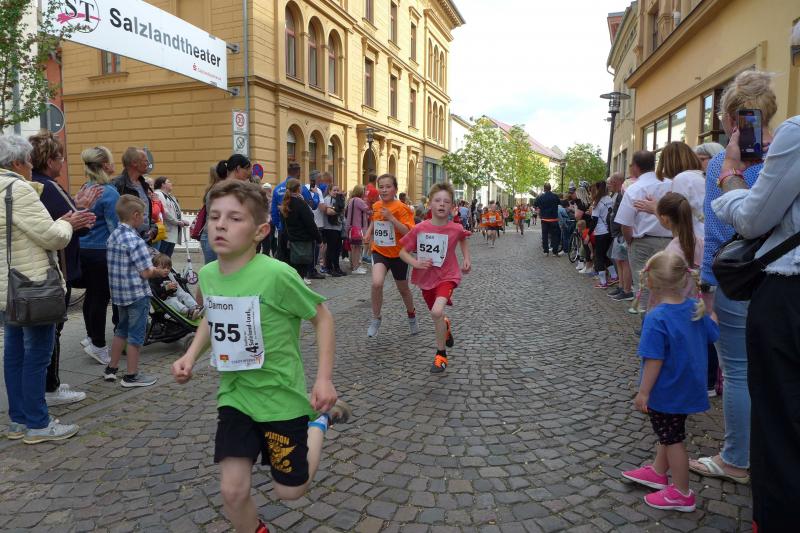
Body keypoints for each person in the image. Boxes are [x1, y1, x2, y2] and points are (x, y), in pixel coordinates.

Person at [171, 180, 351, 533]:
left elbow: (322, 318)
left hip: (281, 399)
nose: (221, 225)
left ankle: (319, 422)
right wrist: (191, 356)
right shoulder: (208, 275)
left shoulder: (277, 275)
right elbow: (213, 315)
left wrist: (324, 379)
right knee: (232, 491)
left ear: (260, 231)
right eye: (215, 217)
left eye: (235, 218)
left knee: (291, 491)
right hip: (235, 396)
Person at [711, 107, 800, 529]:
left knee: (780, 426)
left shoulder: (796, 132)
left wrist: (730, 173)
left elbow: (751, 220)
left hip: (790, 293)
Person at [694, 69, 778, 489]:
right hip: (781, 280)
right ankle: (770, 452)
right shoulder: (785, 156)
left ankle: (736, 458)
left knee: (739, 371)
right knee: (775, 370)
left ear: (730, 119)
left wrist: (707, 283)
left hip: (739, 279)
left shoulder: (722, 166)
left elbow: (717, 232)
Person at [0, 134, 92, 443]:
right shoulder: (18, 189)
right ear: (16, 163)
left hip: (6, 287)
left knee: (14, 354)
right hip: (32, 286)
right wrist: (68, 223)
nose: (31, 166)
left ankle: (18, 421)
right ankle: (38, 424)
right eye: (28, 161)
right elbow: (53, 237)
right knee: (37, 355)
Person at [622, 251, 718, 512]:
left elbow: (654, 359)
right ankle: (657, 471)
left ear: (650, 282)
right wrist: (711, 309)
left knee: (673, 439)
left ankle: (682, 493)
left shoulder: (656, 317)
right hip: (687, 388)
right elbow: (713, 334)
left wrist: (643, 393)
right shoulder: (695, 309)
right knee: (669, 433)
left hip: (667, 392)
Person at [29, 131, 101, 407]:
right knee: (53, 330)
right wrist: (81, 212)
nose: (63, 162)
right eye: (60, 157)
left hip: (47, 267)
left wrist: (76, 208)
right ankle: (51, 387)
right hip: (58, 268)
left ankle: (49, 383)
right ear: (50, 161)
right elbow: (75, 226)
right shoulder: (48, 186)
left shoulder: (34, 184)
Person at [399, 183, 471, 373]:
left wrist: (466, 259)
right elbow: (403, 252)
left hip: (448, 276)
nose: (441, 204)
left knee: (436, 311)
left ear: (452, 207)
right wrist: (415, 263)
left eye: (446, 201)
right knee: (437, 313)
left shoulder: (455, 228)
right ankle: (445, 326)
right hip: (426, 278)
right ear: (430, 204)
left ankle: (441, 354)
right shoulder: (420, 228)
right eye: (437, 200)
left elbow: (462, 238)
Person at [103, 195, 169, 387]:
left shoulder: (113, 236)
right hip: (137, 295)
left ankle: (111, 368)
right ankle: (131, 376)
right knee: (136, 336)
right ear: (135, 215)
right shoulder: (136, 241)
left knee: (121, 330)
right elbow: (146, 272)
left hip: (119, 295)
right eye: (143, 215)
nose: (145, 219)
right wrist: (159, 271)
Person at [613, 151, 672, 313]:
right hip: (670, 241)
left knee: (643, 287)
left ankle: (648, 322)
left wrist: (630, 242)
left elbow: (625, 223)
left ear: (636, 167)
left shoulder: (634, 189)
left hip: (642, 243)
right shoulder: (671, 184)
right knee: (668, 285)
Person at [78, 146, 121, 365]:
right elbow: (116, 228)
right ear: (105, 165)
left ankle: (90, 336)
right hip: (100, 252)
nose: (114, 165)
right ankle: (98, 344)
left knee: (91, 296)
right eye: (112, 160)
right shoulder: (109, 192)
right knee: (100, 298)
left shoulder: (86, 187)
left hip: (82, 248)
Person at [363, 174, 418, 337]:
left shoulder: (403, 208)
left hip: (399, 254)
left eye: (388, 187)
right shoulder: (377, 205)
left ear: (395, 189)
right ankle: (376, 318)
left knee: (403, 289)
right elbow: (375, 220)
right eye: (381, 187)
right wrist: (369, 232)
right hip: (380, 250)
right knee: (376, 283)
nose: (384, 190)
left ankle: (411, 315)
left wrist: (392, 218)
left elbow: (408, 232)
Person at [634, 142, 706, 235]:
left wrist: (655, 209)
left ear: (668, 163)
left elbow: (675, 223)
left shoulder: (681, 179)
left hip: (696, 237)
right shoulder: (700, 175)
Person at [271, 163, 318, 263]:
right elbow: (313, 205)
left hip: (283, 232)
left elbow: (274, 212)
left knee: (284, 261)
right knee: (299, 262)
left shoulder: (277, 188)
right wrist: (316, 194)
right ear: (298, 173)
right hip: (299, 236)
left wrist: (279, 226)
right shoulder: (301, 188)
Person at [279, 178, 322, 283]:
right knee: (300, 272)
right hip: (302, 242)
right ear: (298, 189)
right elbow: (310, 223)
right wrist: (319, 238)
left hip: (288, 242)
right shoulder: (300, 203)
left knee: (292, 271)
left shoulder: (285, 203)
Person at [112, 147, 156, 242]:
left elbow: (146, 212)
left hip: (144, 240)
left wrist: (153, 228)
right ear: (134, 163)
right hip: (128, 241)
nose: (148, 163)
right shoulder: (118, 184)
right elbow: (114, 216)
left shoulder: (144, 184)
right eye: (145, 161)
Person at [607, 173, 634, 301]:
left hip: (621, 233)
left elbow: (623, 214)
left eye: (611, 182)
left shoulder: (622, 194)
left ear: (617, 182)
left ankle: (626, 290)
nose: (609, 185)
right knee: (619, 260)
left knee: (624, 261)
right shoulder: (617, 194)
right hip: (617, 233)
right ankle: (621, 286)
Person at [150, 253, 204, 319]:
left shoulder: (168, 275)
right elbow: (155, 292)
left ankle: (195, 307)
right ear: (155, 268)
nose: (166, 270)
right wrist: (166, 288)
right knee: (173, 301)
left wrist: (186, 280)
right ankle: (188, 312)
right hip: (164, 302)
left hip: (173, 296)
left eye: (168, 268)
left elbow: (178, 279)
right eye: (163, 268)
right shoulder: (153, 279)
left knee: (185, 295)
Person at [590, 180, 618, 288]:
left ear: (597, 189)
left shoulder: (597, 202)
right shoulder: (609, 199)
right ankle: (614, 276)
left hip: (600, 232)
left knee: (599, 256)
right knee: (605, 254)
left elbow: (594, 220)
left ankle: (603, 282)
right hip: (609, 231)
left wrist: (588, 234)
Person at [153, 176, 189, 257]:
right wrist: (177, 222)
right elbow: (165, 212)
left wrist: (181, 220)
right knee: (162, 257)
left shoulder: (169, 196)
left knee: (167, 257)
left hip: (171, 232)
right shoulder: (159, 194)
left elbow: (174, 211)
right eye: (168, 182)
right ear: (163, 184)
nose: (171, 184)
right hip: (165, 232)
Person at [200, 166, 226, 264]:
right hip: (212, 234)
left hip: (211, 234)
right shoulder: (216, 192)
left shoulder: (213, 190)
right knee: (213, 267)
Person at [321, 183, 347, 277]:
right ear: (329, 191)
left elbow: (341, 211)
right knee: (331, 249)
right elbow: (329, 212)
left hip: (338, 227)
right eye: (334, 190)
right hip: (330, 228)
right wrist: (339, 210)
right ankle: (329, 268)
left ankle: (337, 267)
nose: (336, 192)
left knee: (337, 249)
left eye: (337, 190)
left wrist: (338, 210)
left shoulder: (338, 199)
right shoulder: (327, 199)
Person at [345, 184, 369, 275]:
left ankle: (353, 266)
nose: (365, 193)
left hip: (351, 227)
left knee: (353, 248)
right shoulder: (359, 200)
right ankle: (356, 268)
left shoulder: (351, 200)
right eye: (364, 191)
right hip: (358, 228)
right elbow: (369, 210)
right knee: (357, 248)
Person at [534, 183, 561, 256]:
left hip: (544, 219)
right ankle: (555, 252)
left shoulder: (541, 196)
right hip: (553, 219)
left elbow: (535, 204)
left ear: (544, 188)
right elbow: (559, 203)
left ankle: (546, 251)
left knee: (545, 235)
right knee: (554, 235)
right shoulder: (555, 196)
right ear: (550, 188)